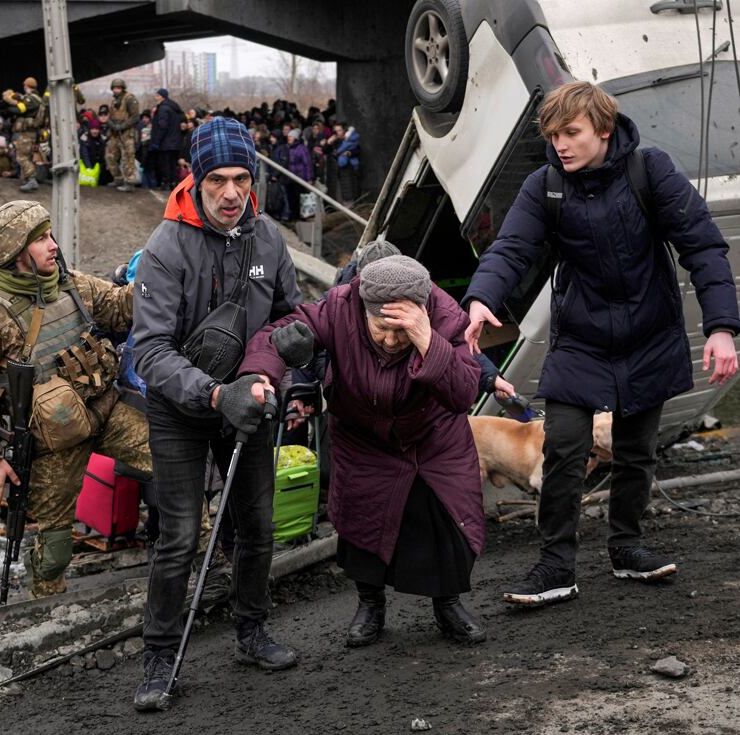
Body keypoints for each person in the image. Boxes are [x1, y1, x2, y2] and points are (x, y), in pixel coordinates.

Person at [462, 81, 740, 607]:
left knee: (636, 451)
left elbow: (702, 246)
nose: (560, 144)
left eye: (571, 133)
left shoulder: (650, 170)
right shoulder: (544, 185)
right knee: (563, 446)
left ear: (604, 130)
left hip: (649, 334)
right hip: (581, 340)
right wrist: (481, 298)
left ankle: (627, 547)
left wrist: (722, 326)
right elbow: (512, 247)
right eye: (553, 135)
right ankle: (555, 566)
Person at [130, 117, 302, 711]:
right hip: (181, 408)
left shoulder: (270, 238)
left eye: (242, 178)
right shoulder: (165, 247)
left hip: (249, 402)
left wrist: (289, 361)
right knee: (178, 536)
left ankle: (251, 631)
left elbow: (290, 315)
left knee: (258, 526)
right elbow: (148, 352)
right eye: (217, 181)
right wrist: (212, 394)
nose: (232, 193)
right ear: (195, 179)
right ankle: (158, 655)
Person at [244, 255, 487, 648]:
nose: (391, 341)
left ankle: (448, 604)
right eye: (381, 330)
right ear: (364, 309)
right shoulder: (340, 307)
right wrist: (260, 373)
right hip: (362, 435)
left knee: (445, 523)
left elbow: (463, 394)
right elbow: (277, 334)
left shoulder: (444, 316)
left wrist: (428, 340)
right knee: (362, 522)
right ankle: (370, 605)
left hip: (432, 438)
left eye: (401, 332)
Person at [0, 200, 149, 597]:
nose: (53, 245)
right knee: (54, 549)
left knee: (175, 463)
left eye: (50, 235)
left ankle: (203, 563)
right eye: (40, 239)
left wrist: (158, 274)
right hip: (52, 444)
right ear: (16, 253)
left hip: (105, 410)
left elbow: (121, 308)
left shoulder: (73, 285)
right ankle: (45, 609)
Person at [2, 77, 43, 192]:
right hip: (31, 133)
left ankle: (31, 180)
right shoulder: (37, 99)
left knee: (22, 157)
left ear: (26, 86)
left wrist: (9, 107)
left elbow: (21, 110)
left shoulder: (32, 99)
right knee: (27, 157)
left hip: (27, 133)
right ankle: (27, 180)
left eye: (24, 85)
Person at [105, 78, 140, 192]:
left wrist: (122, 126)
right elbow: (109, 117)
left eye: (118, 88)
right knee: (109, 156)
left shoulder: (130, 99)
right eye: (114, 88)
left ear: (123, 88)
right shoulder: (113, 101)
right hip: (115, 133)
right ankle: (118, 178)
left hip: (126, 133)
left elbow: (135, 117)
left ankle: (130, 182)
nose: (116, 90)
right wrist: (111, 124)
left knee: (128, 158)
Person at [150, 88, 183, 190]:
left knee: (165, 163)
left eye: (157, 95)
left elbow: (162, 126)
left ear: (161, 96)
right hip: (176, 141)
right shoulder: (174, 107)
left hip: (166, 142)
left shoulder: (163, 109)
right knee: (173, 163)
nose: (155, 97)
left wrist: (156, 141)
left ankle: (167, 184)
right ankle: (174, 183)